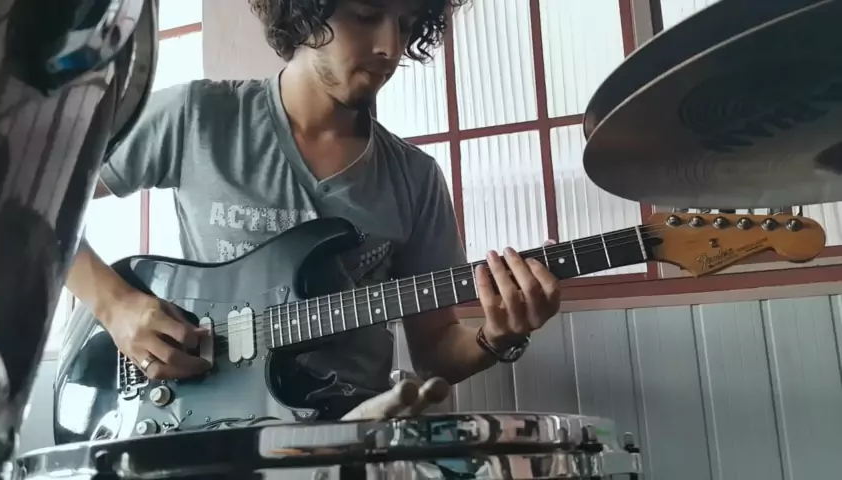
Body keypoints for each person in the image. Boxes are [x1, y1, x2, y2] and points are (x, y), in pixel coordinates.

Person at [65, 0, 563, 417]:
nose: (390, 47)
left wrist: (497, 336)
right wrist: (115, 305)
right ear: (304, 12)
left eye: (407, 24)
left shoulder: (416, 177)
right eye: (367, 15)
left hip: (353, 440)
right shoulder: (197, 118)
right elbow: (37, 207)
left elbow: (436, 354)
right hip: (202, 431)